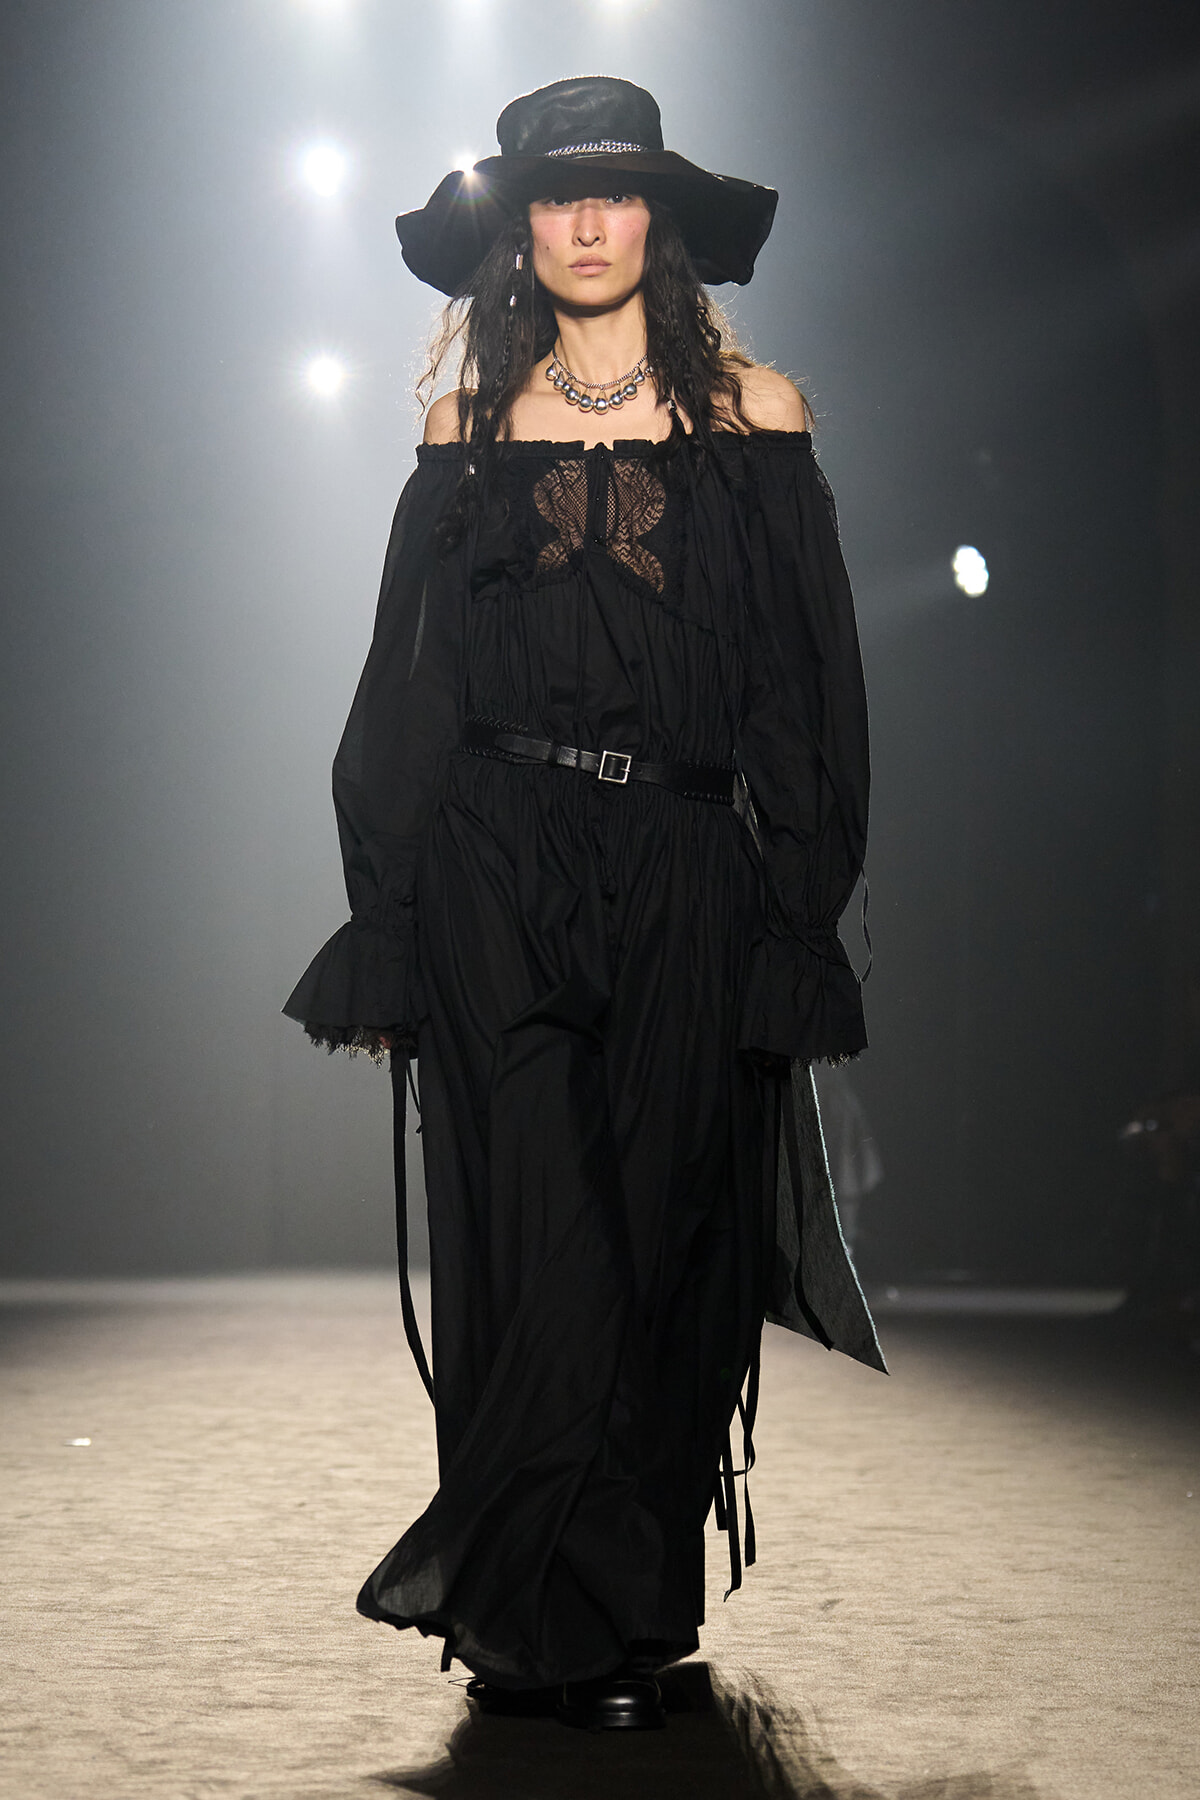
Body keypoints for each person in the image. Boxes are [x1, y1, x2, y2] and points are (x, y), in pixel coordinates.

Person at [284, 75, 885, 1732]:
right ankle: (536, 1619)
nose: (593, 222)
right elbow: (402, 694)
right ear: (518, 225)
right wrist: (390, 907)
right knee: (531, 1237)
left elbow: (806, 695)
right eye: (560, 196)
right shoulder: (465, 427)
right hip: (495, 867)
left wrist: (792, 914)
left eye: (621, 193)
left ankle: (629, 1606)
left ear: (662, 216)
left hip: (688, 867)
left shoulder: (757, 417)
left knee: (667, 1246)